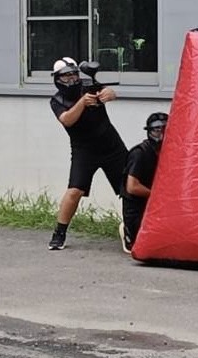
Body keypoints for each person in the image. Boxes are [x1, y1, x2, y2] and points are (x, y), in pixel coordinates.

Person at [47, 57, 128, 250]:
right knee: (75, 190)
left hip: (111, 145)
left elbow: (110, 92)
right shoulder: (57, 100)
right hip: (84, 150)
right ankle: (59, 233)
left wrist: (109, 93)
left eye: (74, 74)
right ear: (58, 79)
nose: (72, 79)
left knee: (128, 188)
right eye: (66, 76)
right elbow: (67, 120)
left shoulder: (89, 85)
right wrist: (83, 102)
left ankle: (131, 228)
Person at [120, 111, 167, 254]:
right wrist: (157, 195)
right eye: (157, 130)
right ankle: (126, 229)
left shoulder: (168, 152)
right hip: (138, 207)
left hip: (156, 206)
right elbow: (132, 187)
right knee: (144, 247)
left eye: (165, 130)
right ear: (150, 132)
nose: (161, 135)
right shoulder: (140, 153)